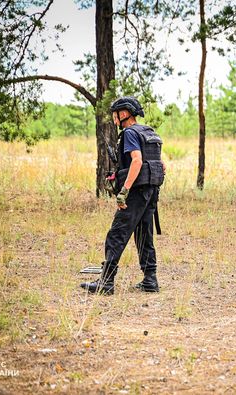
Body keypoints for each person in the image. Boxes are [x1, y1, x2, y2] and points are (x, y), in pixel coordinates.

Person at [80, 96, 165, 295]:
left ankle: (106, 282)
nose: (114, 118)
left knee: (116, 234)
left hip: (135, 193)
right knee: (144, 235)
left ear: (124, 113)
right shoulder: (148, 132)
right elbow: (161, 165)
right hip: (151, 191)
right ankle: (150, 280)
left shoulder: (129, 133)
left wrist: (124, 191)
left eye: (115, 114)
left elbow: (137, 161)